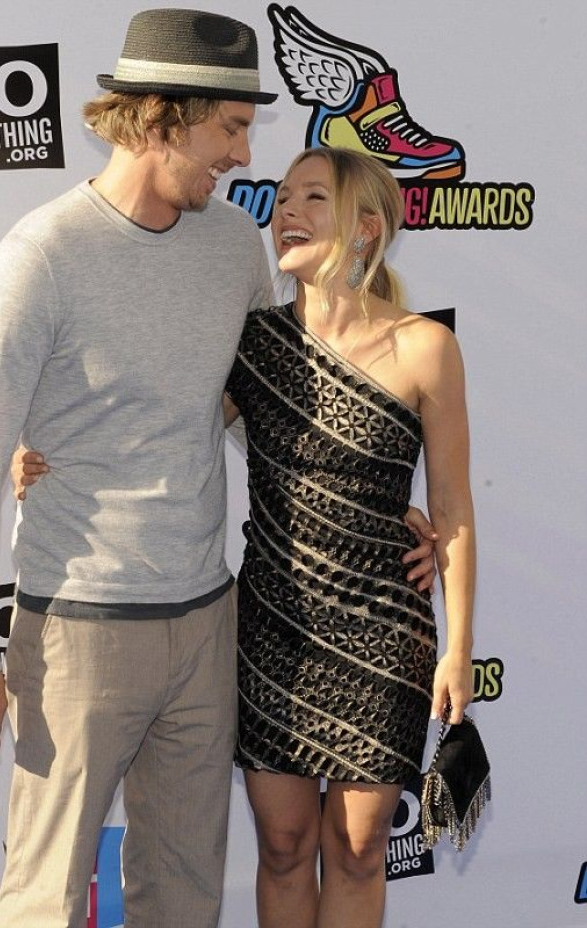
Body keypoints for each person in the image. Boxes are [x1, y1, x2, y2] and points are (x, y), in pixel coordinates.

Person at [0, 10, 279, 928]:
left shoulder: (234, 250)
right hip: (77, 630)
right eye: (231, 129)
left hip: (207, 619)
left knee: (184, 895)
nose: (245, 157)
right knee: (47, 900)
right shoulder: (40, 259)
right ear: (164, 118)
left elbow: (258, 408)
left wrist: (364, 500)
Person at [223, 147, 476, 928]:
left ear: (366, 229)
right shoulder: (253, 344)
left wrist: (457, 650)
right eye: (281, 198)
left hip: (382, 629)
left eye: (311, 198)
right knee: (285, 845)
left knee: (362, 849)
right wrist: (50, 451)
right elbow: (161, 430)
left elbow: (455, 509)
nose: (284, 212)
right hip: (274, 626)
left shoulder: (424, 347)